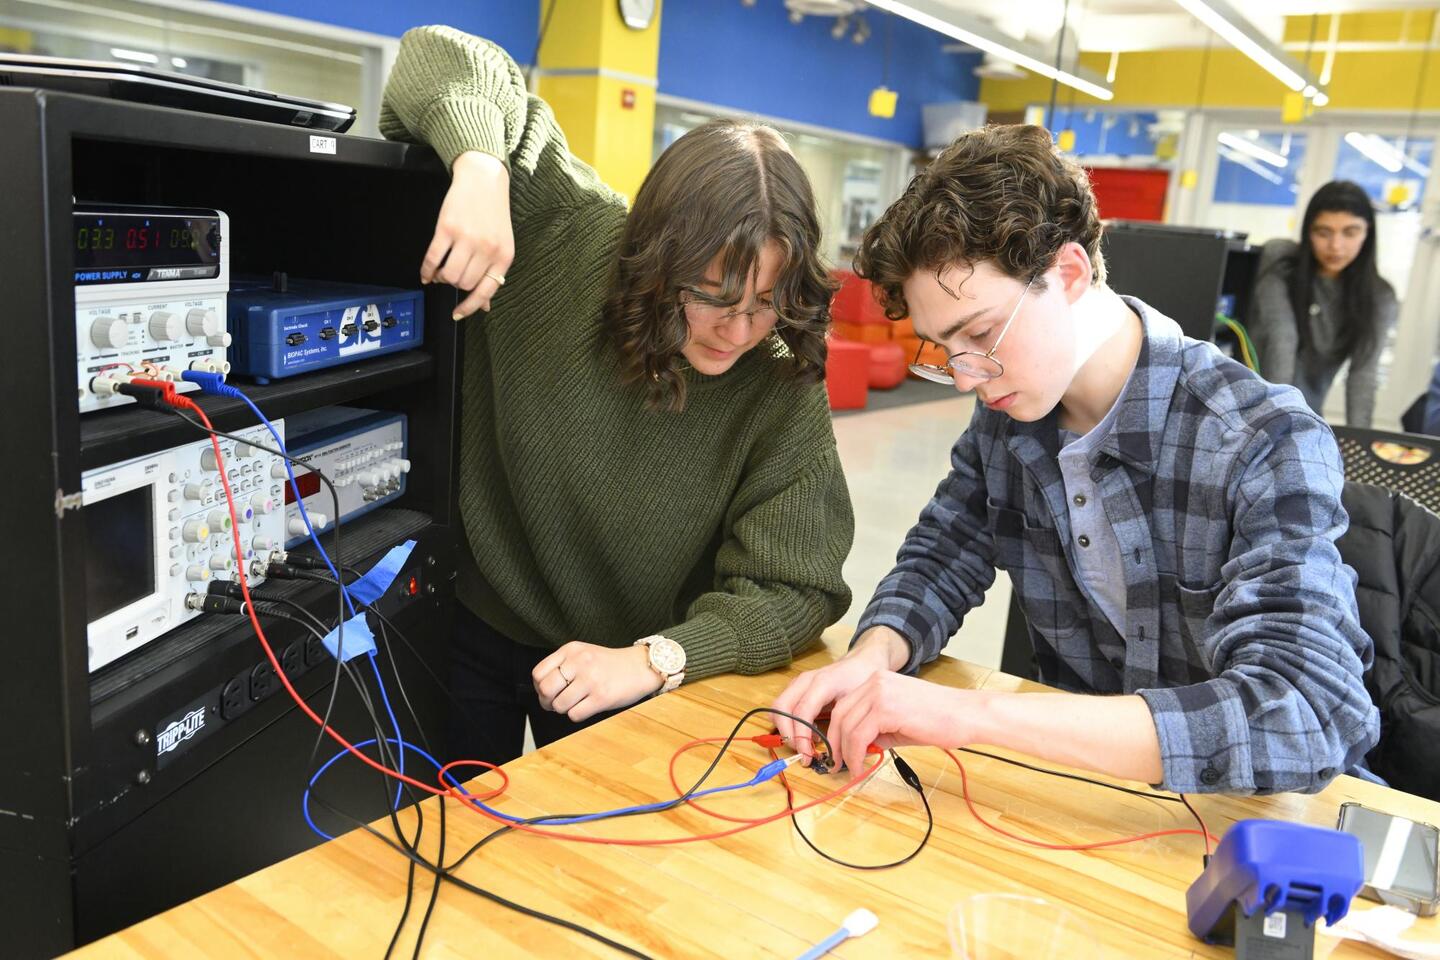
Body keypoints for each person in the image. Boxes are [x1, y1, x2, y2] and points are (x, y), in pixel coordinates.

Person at [772, 125, 1379, 795]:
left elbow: (1306, 714)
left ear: (1068, 273)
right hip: (1086, 802)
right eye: (944, 349)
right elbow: (942, 556)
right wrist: (874, 655)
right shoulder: (1007, 421)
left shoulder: (1260, 438)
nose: (969, 377)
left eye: (977, 333)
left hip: (1248, 822)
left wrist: (970, 714)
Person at [379, 26, 853, 765]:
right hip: (472, 618)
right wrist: (480, 167)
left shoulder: (780, 380)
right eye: (712, 296)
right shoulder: (566, 229)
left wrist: (658, 658)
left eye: (769, 302)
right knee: (452, 838)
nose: (739, 330)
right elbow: (438, 53)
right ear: (657, 257)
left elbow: (797, 587)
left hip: (624, 663)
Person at [1251, 180, 1397, 427]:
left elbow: (1363, 375)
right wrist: (1276, 424)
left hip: (1307, 418)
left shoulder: (1379, 296)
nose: (1336, 246)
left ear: (1367, 233)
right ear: (1308, 232)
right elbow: (1281, 340)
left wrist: (1358, 448)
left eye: (1350, 232)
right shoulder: (1281, 266)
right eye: (1323, 232)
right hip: (1255, 412)